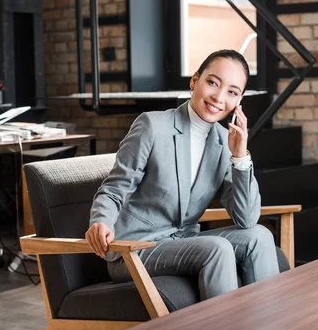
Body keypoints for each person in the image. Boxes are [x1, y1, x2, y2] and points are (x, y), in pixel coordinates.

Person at [85, 49, 279, 301]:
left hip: (184, 241)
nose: (219, 97)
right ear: (194, 81)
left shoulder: (223, 141)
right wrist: (100, 221)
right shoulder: (152, 126)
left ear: (238, 101)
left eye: (232, 92)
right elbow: (114, 188)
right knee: (217, 248)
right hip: (135, 247)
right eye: (212, 82)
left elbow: (247, 219)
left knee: (260, 236)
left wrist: (240, 157)